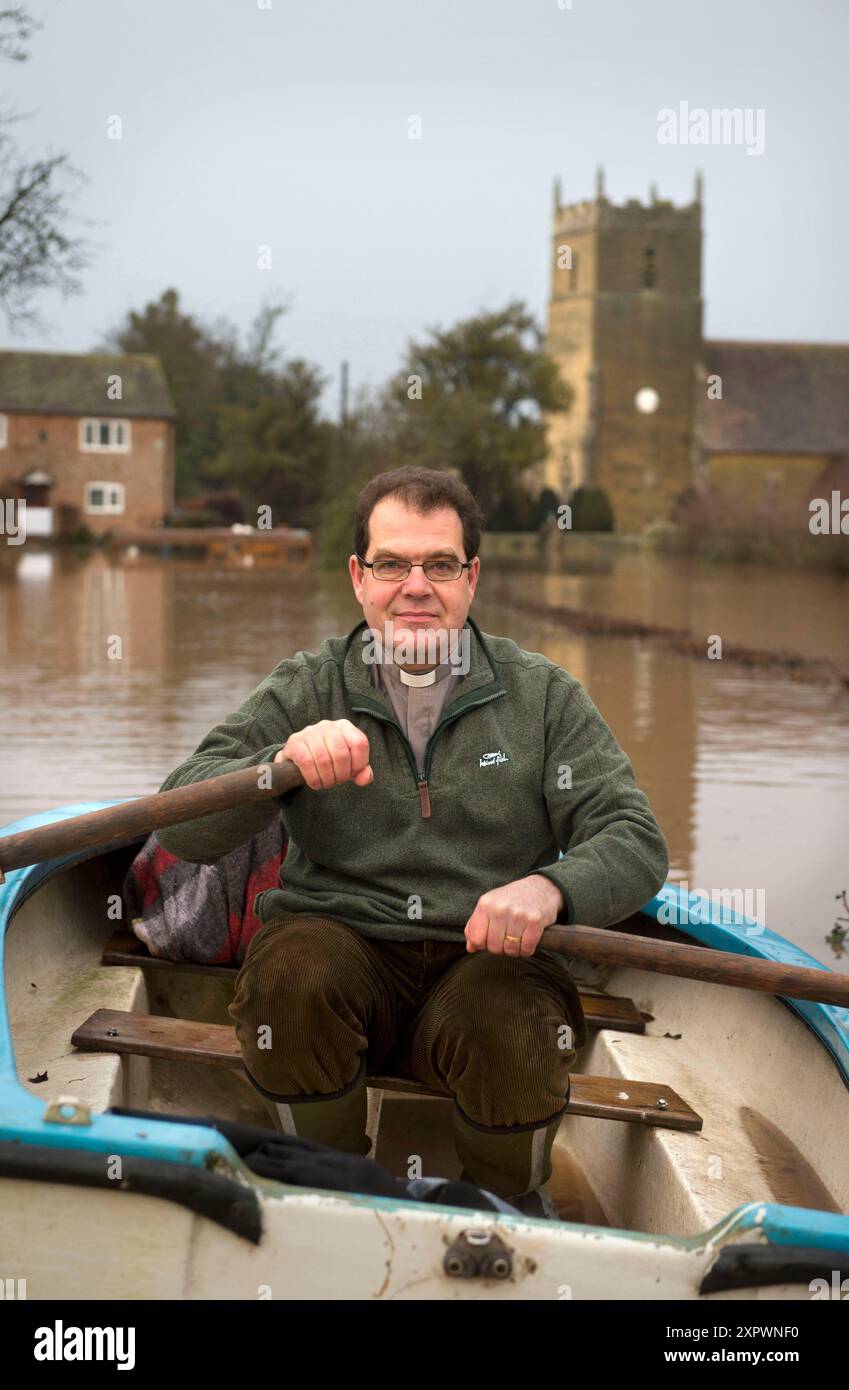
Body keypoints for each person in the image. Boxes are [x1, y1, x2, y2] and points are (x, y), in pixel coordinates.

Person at [156, 466, 669, 1218]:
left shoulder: (544, 697)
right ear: (359, 578)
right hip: (339, 948)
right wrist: (280, 766)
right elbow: (179, 820)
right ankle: (323, 1189)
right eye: (392, 564)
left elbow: (634, 841)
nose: (416, 586)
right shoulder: (307, 685)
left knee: (513, 1024)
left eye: (439, 565)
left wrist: (550, 888)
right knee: (292, 977)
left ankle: (513, 1202)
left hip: (487, 963)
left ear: (472, 578)